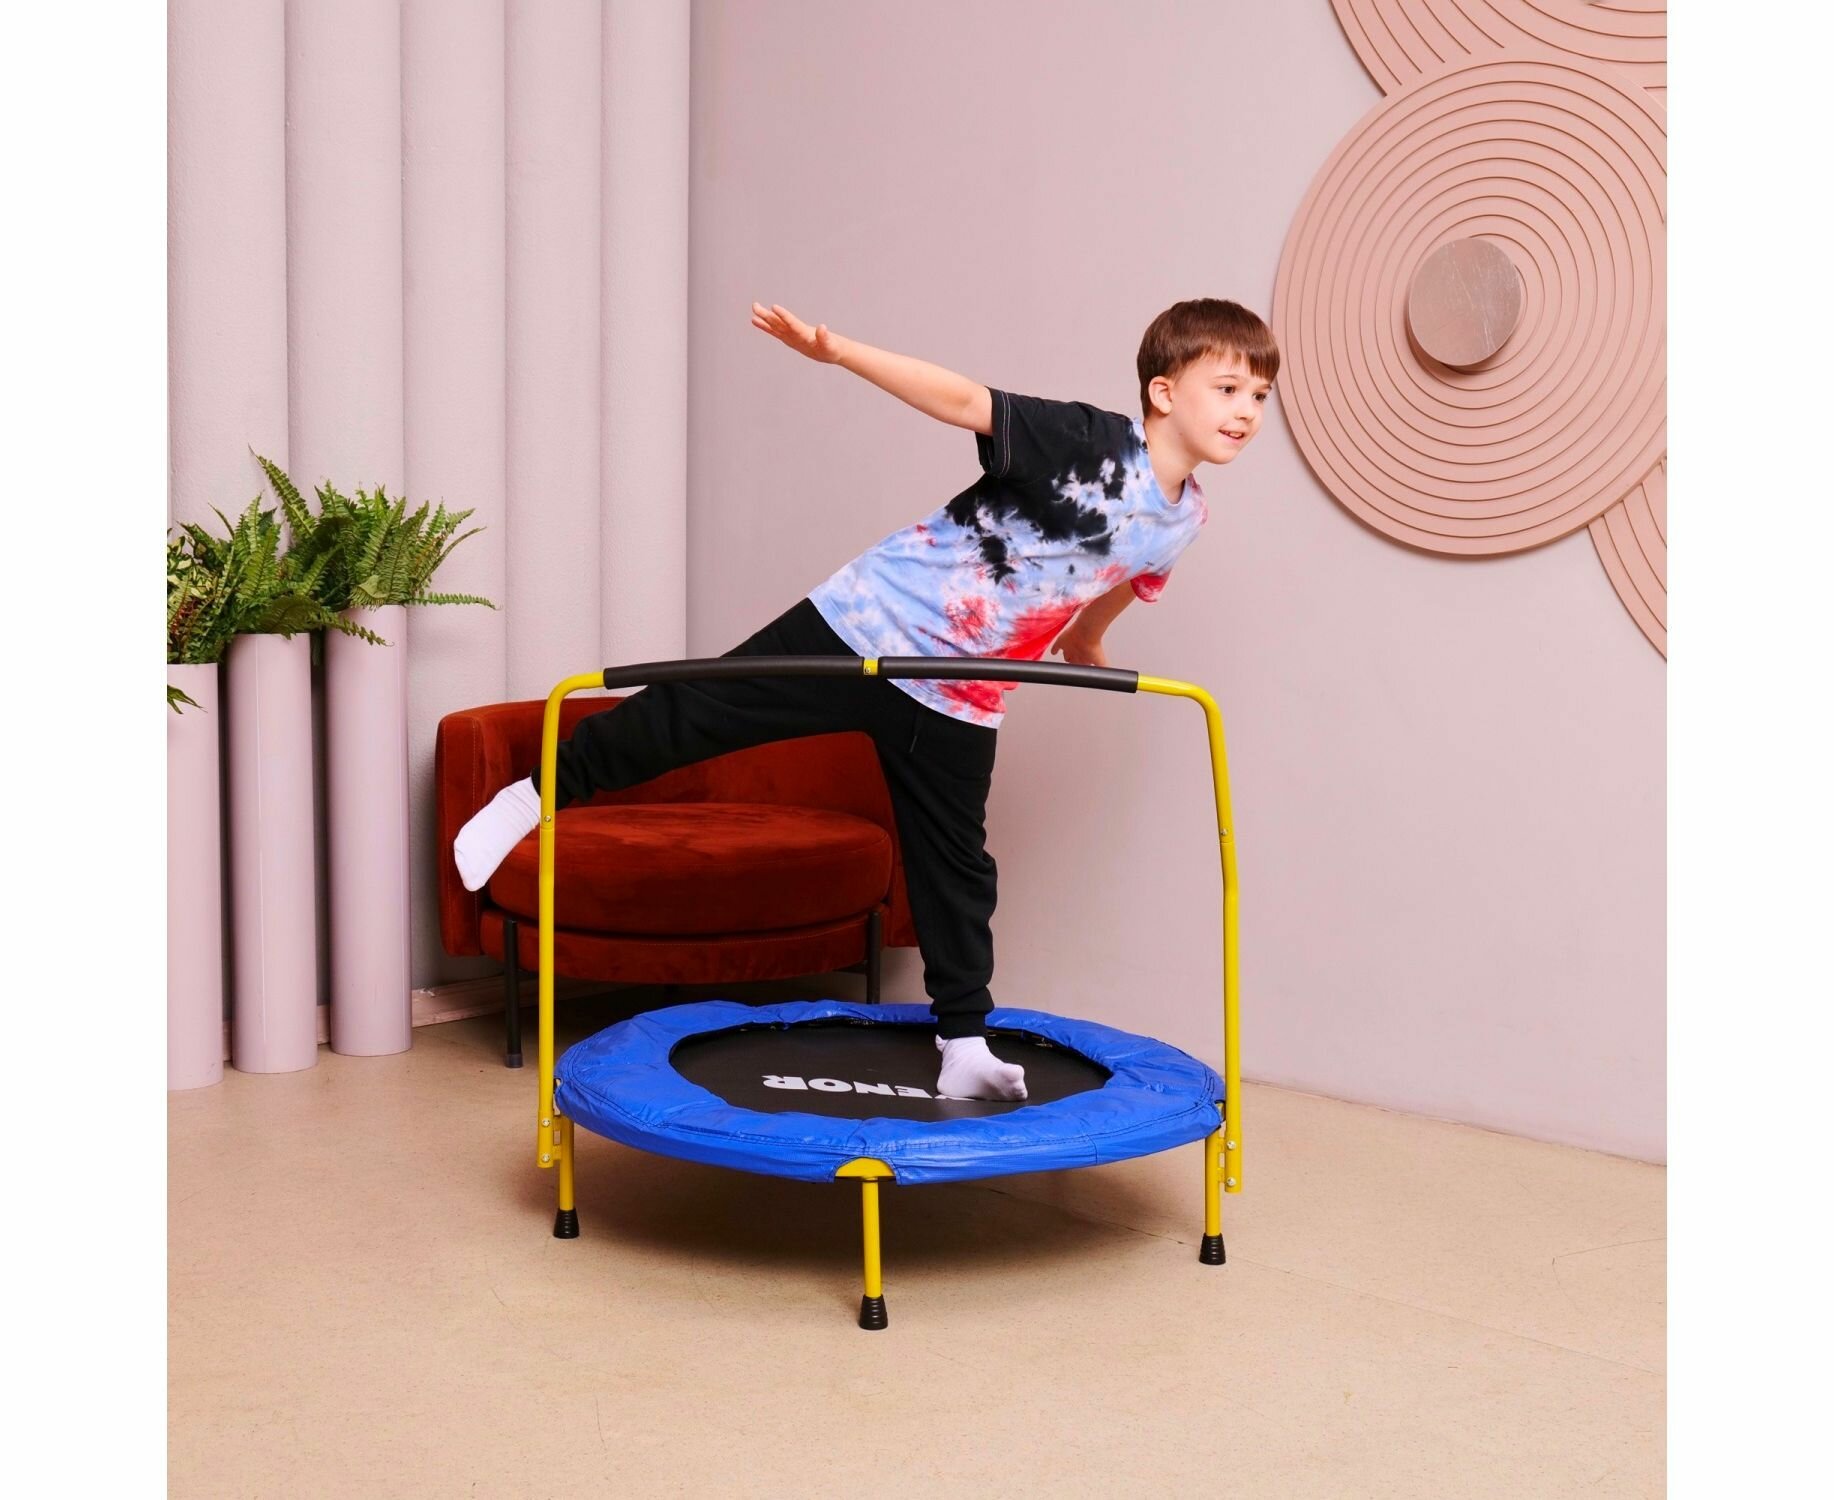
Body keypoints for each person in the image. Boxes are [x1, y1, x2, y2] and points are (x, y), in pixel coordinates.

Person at [454, 296, 1278, 1100]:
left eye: (1260, 396)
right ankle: (533, 796)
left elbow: (1127, 573)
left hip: (959, 694)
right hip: (864, 628)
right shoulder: (1087, 441)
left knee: (959, 870)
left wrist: (1089, 639)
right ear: (1164, 392)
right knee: (689, 715)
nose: (1246, 411)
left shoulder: (1185, 517)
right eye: (1228, 388)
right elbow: (964, 399)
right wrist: (840, 352)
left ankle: (964, 1043)